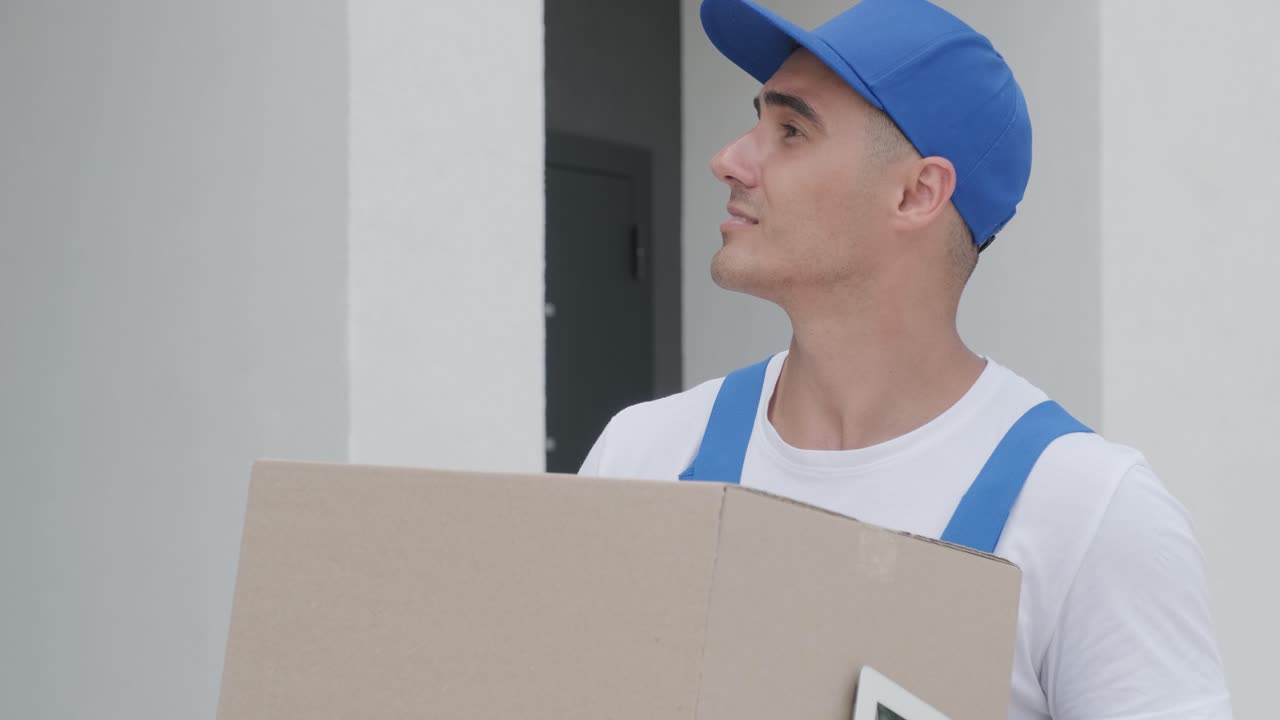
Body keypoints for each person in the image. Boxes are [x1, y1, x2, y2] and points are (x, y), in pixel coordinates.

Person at [578, 0, 1233, 718]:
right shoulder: (645, 457)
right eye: (756, 119)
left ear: (917, 194)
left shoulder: (1085, 512)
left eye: (791, 130)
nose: (729, 159)